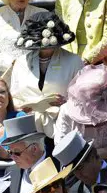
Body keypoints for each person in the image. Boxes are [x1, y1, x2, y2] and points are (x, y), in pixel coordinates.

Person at [8, 11, 82, 139]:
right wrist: (20, 106)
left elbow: (83, 98)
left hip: (63, 127)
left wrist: (66, 103)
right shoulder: (21, 62)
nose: (44, 46)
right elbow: (13, 96)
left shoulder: (74, 61)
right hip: (28, 128)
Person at [54, 65, 107, 160]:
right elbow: (61, 147)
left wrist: (96, 155)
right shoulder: (66, 111)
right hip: (76, 170)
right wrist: (83, 160)